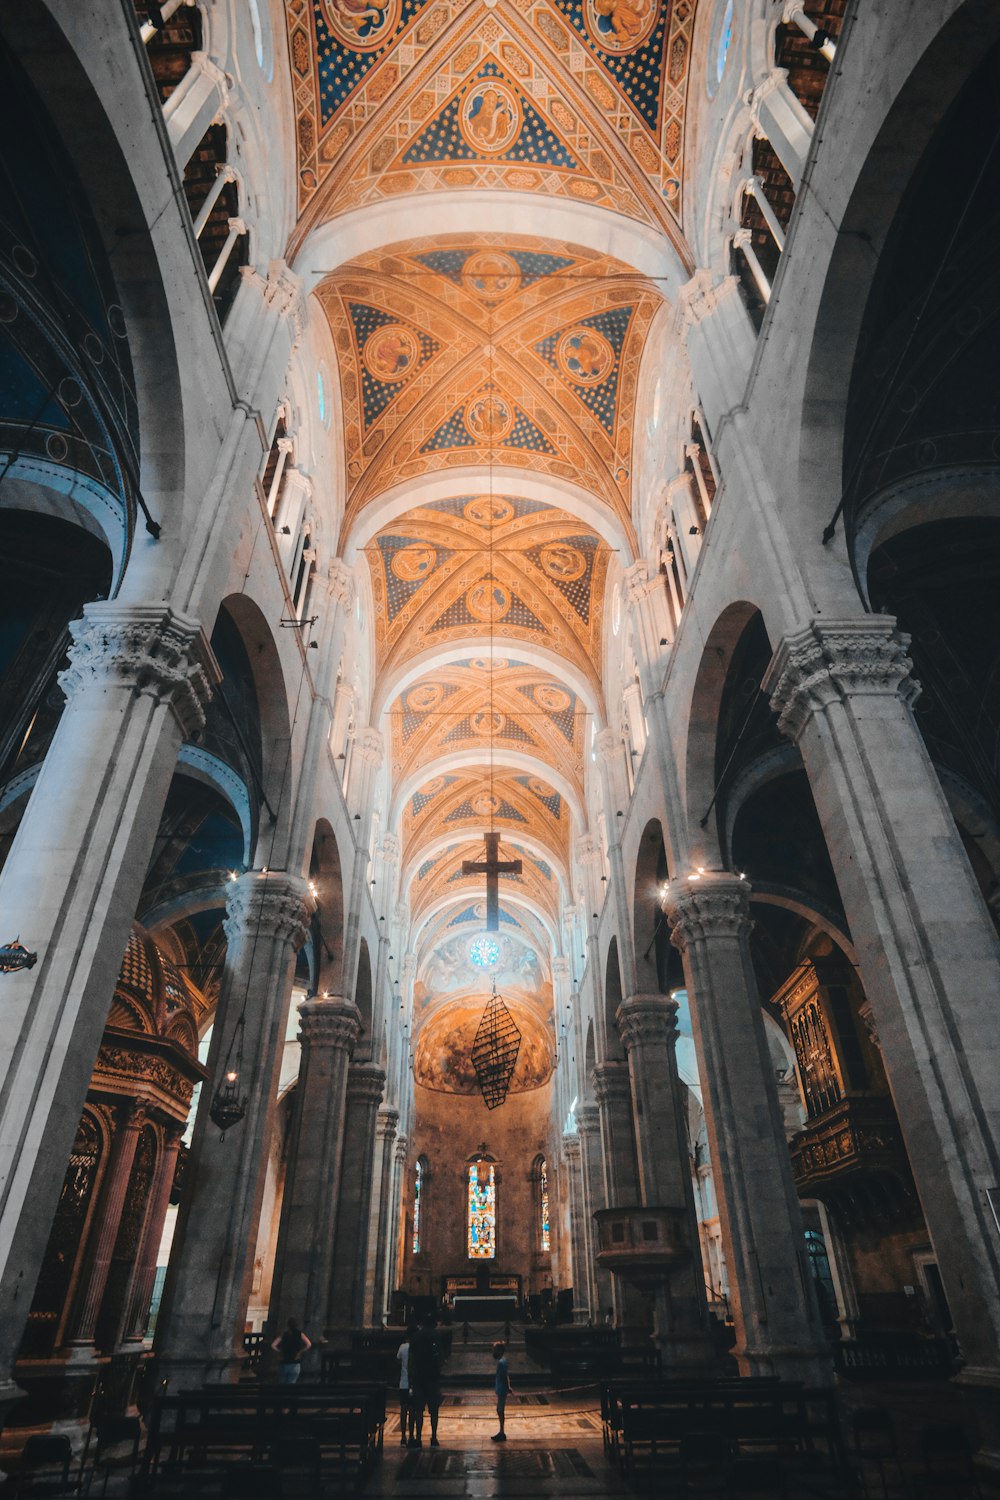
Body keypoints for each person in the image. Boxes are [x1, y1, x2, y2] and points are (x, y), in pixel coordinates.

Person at [409, 1311, 442, 1448]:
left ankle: (418, 1438)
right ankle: (434, 1437)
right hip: (432, 1377)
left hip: (419, 1376)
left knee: (418, 1410)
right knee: (434, 1410)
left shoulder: (416, 1336)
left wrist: (411, 1376)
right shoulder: (436, 1335)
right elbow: (440, 1356)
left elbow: (411, 1358)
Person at [271, 1318, 311, 1385]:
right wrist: (300, 1352)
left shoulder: (284, 1334)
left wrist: (279, 1351)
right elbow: (309, 1344)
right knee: (291, 1383)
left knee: (282, 1383)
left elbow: (273, 1345)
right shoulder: (300, 1334)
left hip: (284, 1362)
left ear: (288, 1325)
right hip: (295, 1362)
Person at [397, 1324, 416, 1447]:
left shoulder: (402, 1347)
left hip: (403, 1382)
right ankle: (412, 1435)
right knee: (413, 1410)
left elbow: (398, 1360)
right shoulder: (416, 1347)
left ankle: (403, 1435)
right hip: (414, 1382)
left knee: (403, 1409)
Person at [491, 1339, 511, 1442]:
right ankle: (501, 1431)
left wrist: (508, 1387)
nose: (493, 1352)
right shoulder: (503, 1361)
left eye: (495, 1350)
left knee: (500, 1410)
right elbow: (506, 1375)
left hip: (502, 1389)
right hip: (501, 1389)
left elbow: (504, 1376)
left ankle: (502, 1432)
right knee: (499, 1410)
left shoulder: (501, 1362)